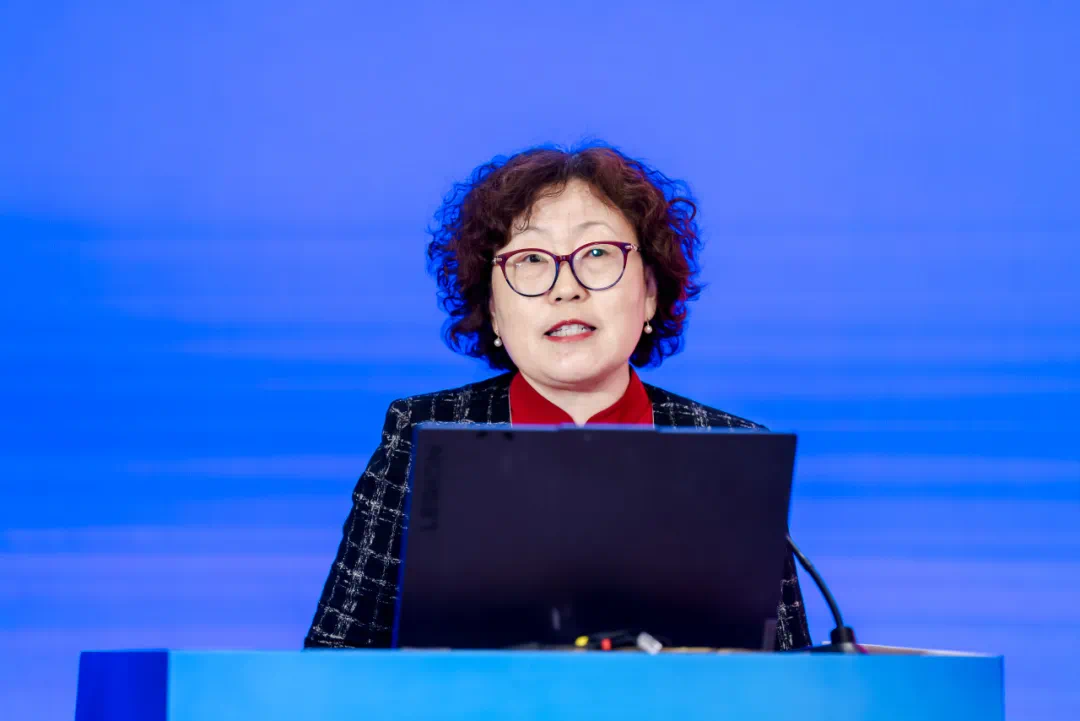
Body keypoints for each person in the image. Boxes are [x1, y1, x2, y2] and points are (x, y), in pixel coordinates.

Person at [304, 143, 811, 651]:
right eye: (530, 259)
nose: (566, 289)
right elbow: (335, 658)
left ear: (650, 292)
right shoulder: (421, 433)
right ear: (493, 309)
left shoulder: (730, 450)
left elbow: (793, 678)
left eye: (597, 253)